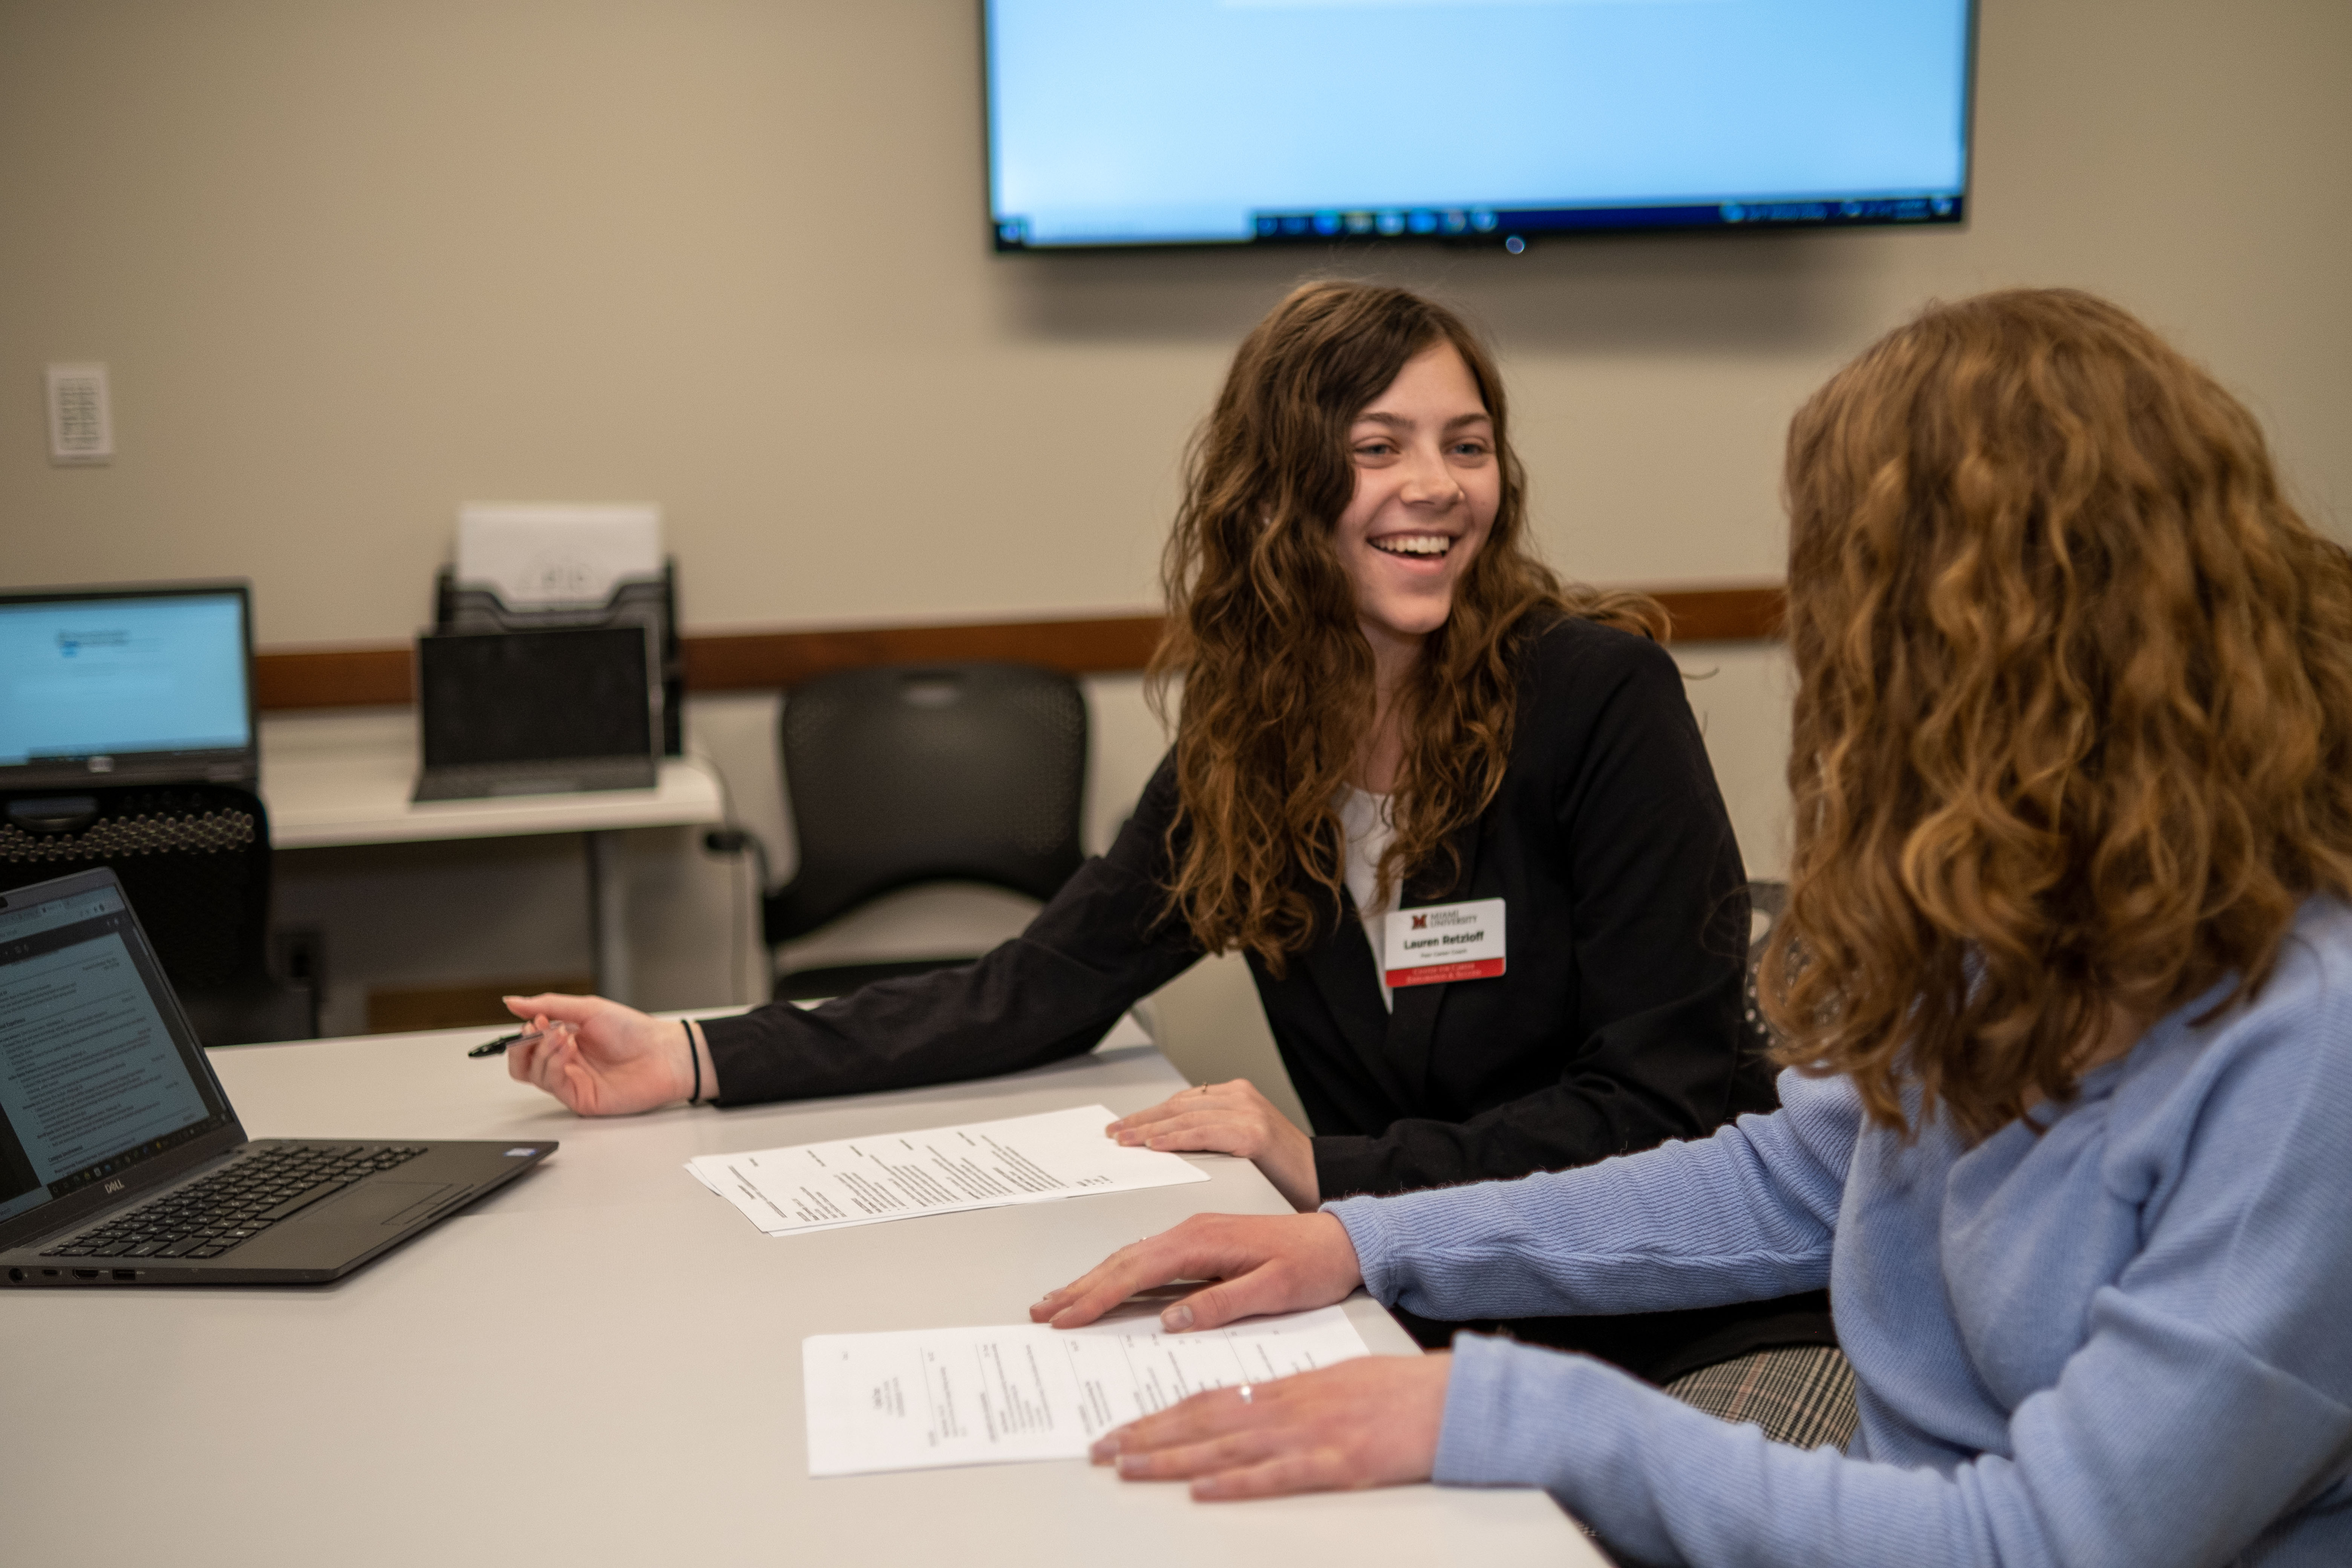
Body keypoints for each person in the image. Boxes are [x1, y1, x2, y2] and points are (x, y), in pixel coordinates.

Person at [1028, 287, 2352, 1566]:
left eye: (1852, 594)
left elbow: (2044, 1543)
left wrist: (1510, 1414)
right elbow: (1789, 1176)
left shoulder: (2306, 1046)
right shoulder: (2026, 908)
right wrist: (1357, 1237)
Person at [501, 280, 1830, 1387]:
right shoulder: (1254, 738)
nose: (1436, 487)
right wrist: (687, 1053)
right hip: (1404, 1308)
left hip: (1666, 1321)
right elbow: (1033, 991)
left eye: (1467, 445)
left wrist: (1329, 1169)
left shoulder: (1594, 697)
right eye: (1379, 448)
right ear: (1284, 491)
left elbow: (1663, 1105)